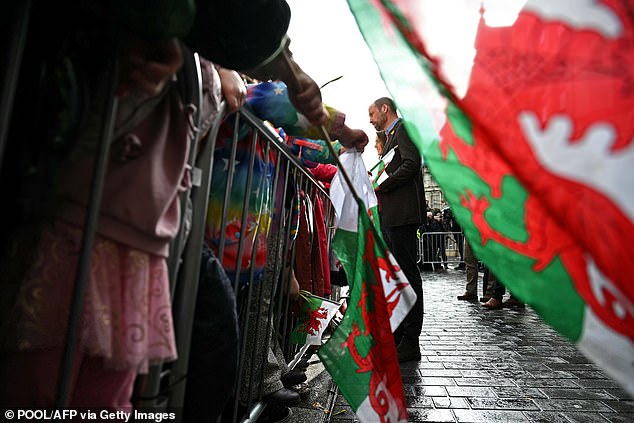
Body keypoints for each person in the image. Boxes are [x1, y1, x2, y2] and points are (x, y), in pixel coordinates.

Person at [369, 97, 426, 363]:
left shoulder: (404, 129)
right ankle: (399, 333)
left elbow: (412, 164)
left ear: (385, 109)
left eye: (372, 113)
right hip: (391, 215)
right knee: (397, 277)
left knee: (408, 276)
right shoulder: (391, 136)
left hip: (403, 215)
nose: (370, 119)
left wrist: (383, 185)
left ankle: (411, 339)